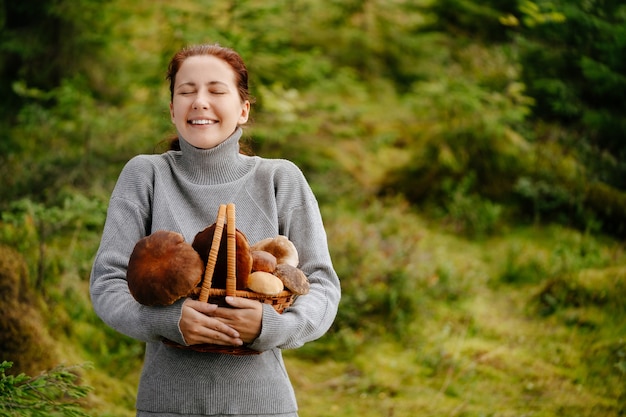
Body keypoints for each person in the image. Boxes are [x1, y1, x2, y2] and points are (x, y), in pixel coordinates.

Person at [89, 43, 341, 417]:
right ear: (173, 109)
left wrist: (269, 326)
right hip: (166, 405)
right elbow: (107, 281)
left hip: (264, 405)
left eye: (216, 91)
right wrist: (167, 321)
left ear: (243, 109)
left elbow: (322, 285)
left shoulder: (279, 178)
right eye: (186, 91)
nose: (200, 102)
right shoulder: (147, 175)